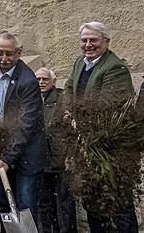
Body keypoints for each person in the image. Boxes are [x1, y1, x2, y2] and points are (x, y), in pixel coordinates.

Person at [62, 21, 138, 232]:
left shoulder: (115, 68)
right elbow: (68, 89)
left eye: (93, 40)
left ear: (106, 42)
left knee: (118, 204)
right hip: (86, 146)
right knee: (93, 204)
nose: (88, 44)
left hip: (110, 150)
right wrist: (69, 110)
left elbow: (106, 109)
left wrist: (77, 116)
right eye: (84, 40)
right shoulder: (80, 63)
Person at [0, 33, 46, 226]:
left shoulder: (28, 81)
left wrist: (8, 158)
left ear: (18, 53)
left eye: (9, 54)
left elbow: (26, 125)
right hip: (1, 148)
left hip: (27, 152)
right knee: (3, 205)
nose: (4, 59)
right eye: (0, 53)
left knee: (25, 205)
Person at [36, 67, 77, 233]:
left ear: (54, 81)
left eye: (45, 79)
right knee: (43, 203)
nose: (41, 82)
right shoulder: (31, 99)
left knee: (66, 202)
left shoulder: (62, 99)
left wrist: (72, 154)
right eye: (38, 79)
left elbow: (73, 130)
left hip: (61, 159)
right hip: (39, 161)